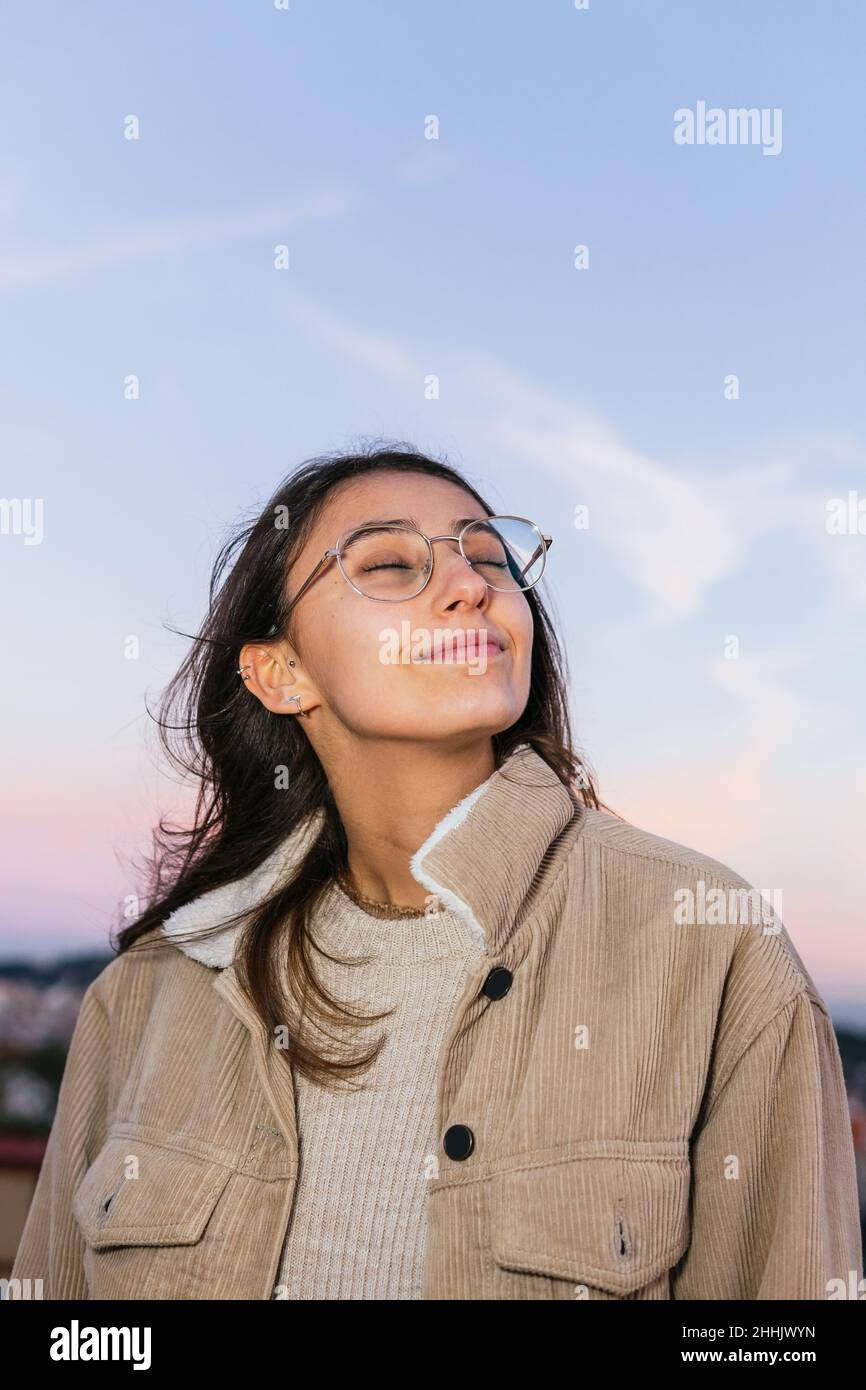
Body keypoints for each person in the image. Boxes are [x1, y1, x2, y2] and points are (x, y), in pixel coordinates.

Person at [10, 444, 863, 1300]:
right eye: (388, 563)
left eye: (490, 557)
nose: (470, 585)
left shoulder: (708, 943)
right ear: (281, 672)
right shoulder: (149, 991)